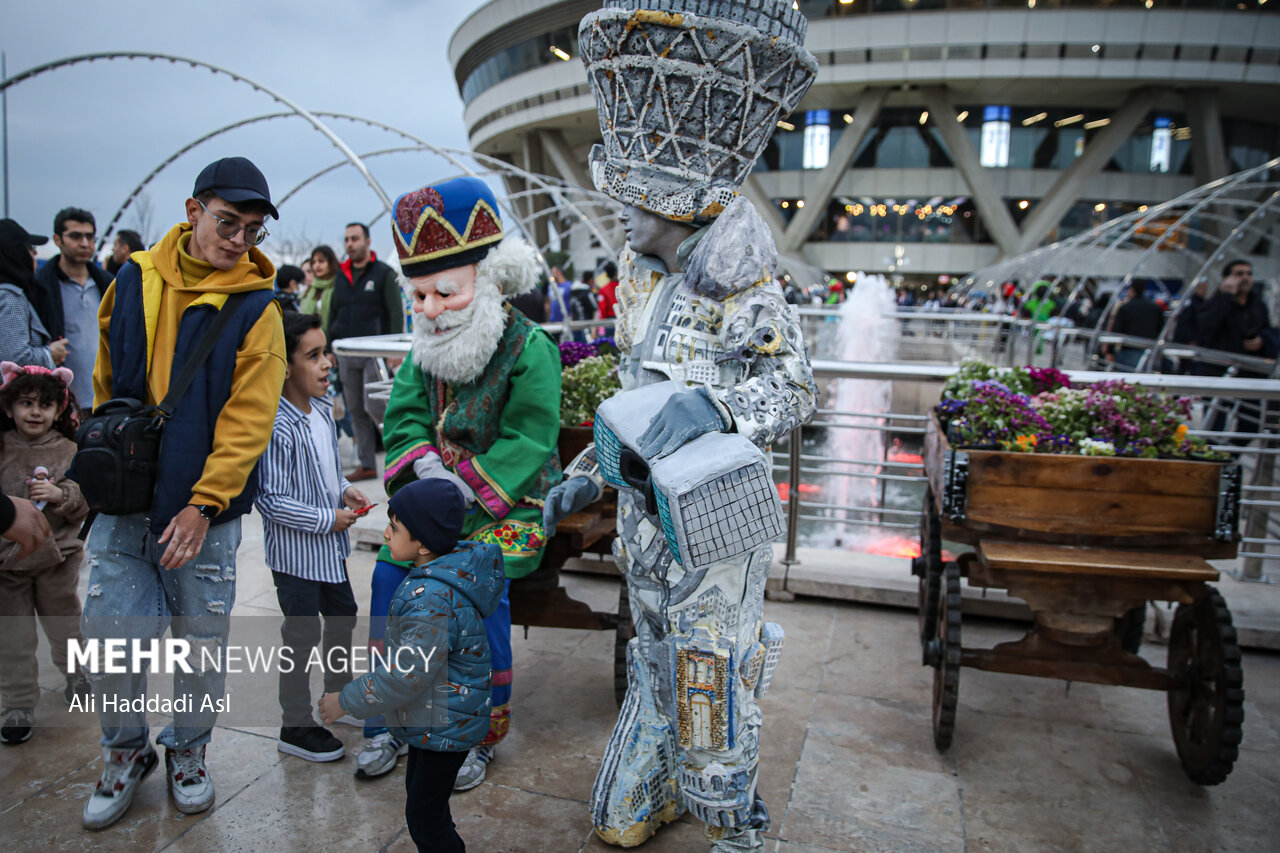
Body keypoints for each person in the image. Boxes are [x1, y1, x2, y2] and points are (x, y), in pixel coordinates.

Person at [545, 3, 817, 849]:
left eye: (633, 202)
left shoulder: (743, 288)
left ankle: (738, 816)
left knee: (712, 670)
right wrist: (590, 469)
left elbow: (796, 387)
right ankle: (663, 776)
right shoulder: (641, 279)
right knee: (658, 663)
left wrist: (720, 406)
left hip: (712, 529)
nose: (620, 215)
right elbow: (632, 398)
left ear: (676, 204)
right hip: (643, 525)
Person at [79, 156, 287, 831]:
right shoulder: (133, 279)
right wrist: (110, 453)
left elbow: (250, 420)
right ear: (194, 211)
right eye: (228, 222)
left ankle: (189, 750)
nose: (238, 239)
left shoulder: (259, 307)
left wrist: (204, 503)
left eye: (252, 230)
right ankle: (123, 749)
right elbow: (109, 379)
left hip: (205, 513)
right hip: (128, 502)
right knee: (111, 636)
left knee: (201, 640)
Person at [367, 175, 562, 790]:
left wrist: (463, 489)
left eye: (443, 293)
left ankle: (475, 730)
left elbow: (530, 437)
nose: (427, 311)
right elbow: (402, 419)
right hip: (435, 503)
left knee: (475, 586)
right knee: (387, 576)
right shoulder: (425, 350)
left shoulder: (530, 348)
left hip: (507, 506)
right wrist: (425, 471)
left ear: (490, 279)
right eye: (418, 296)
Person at [319, 478, 504, 853]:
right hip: (438, 720)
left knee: (425, 820)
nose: (386, 533)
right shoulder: (439, 577)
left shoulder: (431, 599)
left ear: (422, 544)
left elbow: (404, 675)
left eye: (395, 527)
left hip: (446, 725)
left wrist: (346, 701)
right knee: (426, 808)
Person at [255, 311, 371, 763]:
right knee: (301, 635)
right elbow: (270, 499)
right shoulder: (276, 426)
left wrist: (345, 489)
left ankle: (337, 698)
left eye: (327, 353)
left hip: (328, 551)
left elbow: (327, 470)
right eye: (313, 356)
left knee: (342, 614)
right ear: (284, 366)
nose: (327, 364)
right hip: (296, 556)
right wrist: (328, 518)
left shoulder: (322, 411)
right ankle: (295, 723)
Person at [0, 363, 90, 745]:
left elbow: (86, 500)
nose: (35, 412)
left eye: (45, 405)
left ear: (60, 410)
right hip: (7, 563)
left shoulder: (69, 450)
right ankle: (17, 703)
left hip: (58, 559)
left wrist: (62, 494)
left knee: (64, 622)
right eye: (26, 402)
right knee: (13, 635)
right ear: (9, 408)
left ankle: (77, 675)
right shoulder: (3, 447)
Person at [327, 222, 402, 482]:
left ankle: (401, 456)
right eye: (347, 239)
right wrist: (330, 348)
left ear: (367, 241)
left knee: (377, 405)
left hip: (374, 351)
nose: (350, 244)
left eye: (355, 238)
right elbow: (334, 312)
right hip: (347, 351)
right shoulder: (342, 275)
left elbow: (395, 311)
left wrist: (393, 348)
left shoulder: (383, 273)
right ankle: (367, 463)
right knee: (355, 409)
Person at [33, 208, 113, 410]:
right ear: (57, 239)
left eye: (89, 237)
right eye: (76, 236)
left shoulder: (109, 285)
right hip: (59, 402)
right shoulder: (40, 288)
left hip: (106, 401)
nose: (85, 243)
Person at [1197, 260, 1277, 440]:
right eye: (1239, 274)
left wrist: (1261, 341)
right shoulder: (1216, 302)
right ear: (1226, 278)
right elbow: (1204, 329)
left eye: (1248, 274)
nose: (1245, 278)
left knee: (1251, 423)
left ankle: (1229, 458)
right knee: (1214, 422)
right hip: (1218, 371)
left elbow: (1267, 329)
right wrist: (1225, 296)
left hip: (1250, 373)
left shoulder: (1257, 304)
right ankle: (1213, 458)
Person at [0, 220, 67, 370]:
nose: (35, 253)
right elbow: (13, 359)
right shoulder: (10, 297)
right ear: (16, 254)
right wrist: (50, 354)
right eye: (30, 248)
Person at [1106, 282, 1165, 370]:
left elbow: (1116, 330)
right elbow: (1161, 329)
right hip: (1148, 348)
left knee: (1126, 379)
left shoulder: (1125, 308)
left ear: (1132, 290)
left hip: (1128, 348)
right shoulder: (1155, 308)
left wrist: (1110, 351)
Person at [300, 245, 340, 335]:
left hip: (333, 341)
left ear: (331, 263)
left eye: (321, 261)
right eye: (314, 262)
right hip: (310, 341)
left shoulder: (339, 286)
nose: (317, 265)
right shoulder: (310, 290)